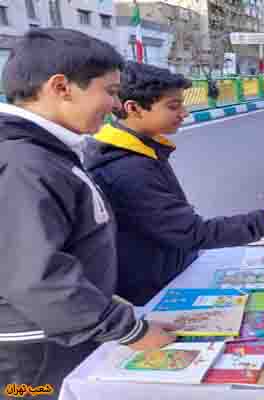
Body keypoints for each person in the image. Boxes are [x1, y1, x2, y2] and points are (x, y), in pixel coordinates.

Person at [0, 29, 175, 397]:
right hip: (33, 355)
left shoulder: (48, 152)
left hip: (60, 333)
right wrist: (131, 331)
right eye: (110, 91)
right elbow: (38, 275)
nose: (115, 105)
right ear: (61, 87)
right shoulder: (22, 163)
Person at [85, 62, 264, 306]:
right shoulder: (128, 169)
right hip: (153, 290)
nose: (184, 113)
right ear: (133, 108)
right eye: (173, 106)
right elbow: (190, 232)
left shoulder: (142, 150)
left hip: (168, 269)